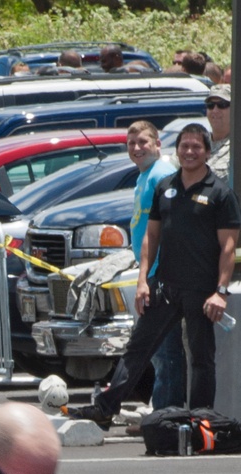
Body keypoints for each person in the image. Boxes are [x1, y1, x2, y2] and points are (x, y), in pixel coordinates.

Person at [71, 125, 240, 429]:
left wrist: (221, 291)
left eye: (196, 147)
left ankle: (201, 421)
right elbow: (151, 236)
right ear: (176, 151)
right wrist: (142, 281)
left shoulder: (220, 193)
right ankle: (105, 408)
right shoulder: (166, 187)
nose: (189, 152)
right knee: (138, 349)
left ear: (207, 151)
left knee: (201, 358)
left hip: (202, 290)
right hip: (165, 286)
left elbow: (228, 247)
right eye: (184, 146)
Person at [125, 121, 184, 414]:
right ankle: (161, 409)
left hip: (163, 274)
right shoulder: (145, 176)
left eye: (143, 142)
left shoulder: (161, 174)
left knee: (165, 349)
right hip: (152, 271)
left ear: (158, 144)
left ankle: (166, 413)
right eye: (131, 143)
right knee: (159, 349)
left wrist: (147, 278)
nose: (137, 148)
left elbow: (168, 229)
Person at [205, 85, 231, 178]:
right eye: (210, 105)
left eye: (222, 105)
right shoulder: (197, 143)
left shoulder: (237, 147)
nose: (215, 110)